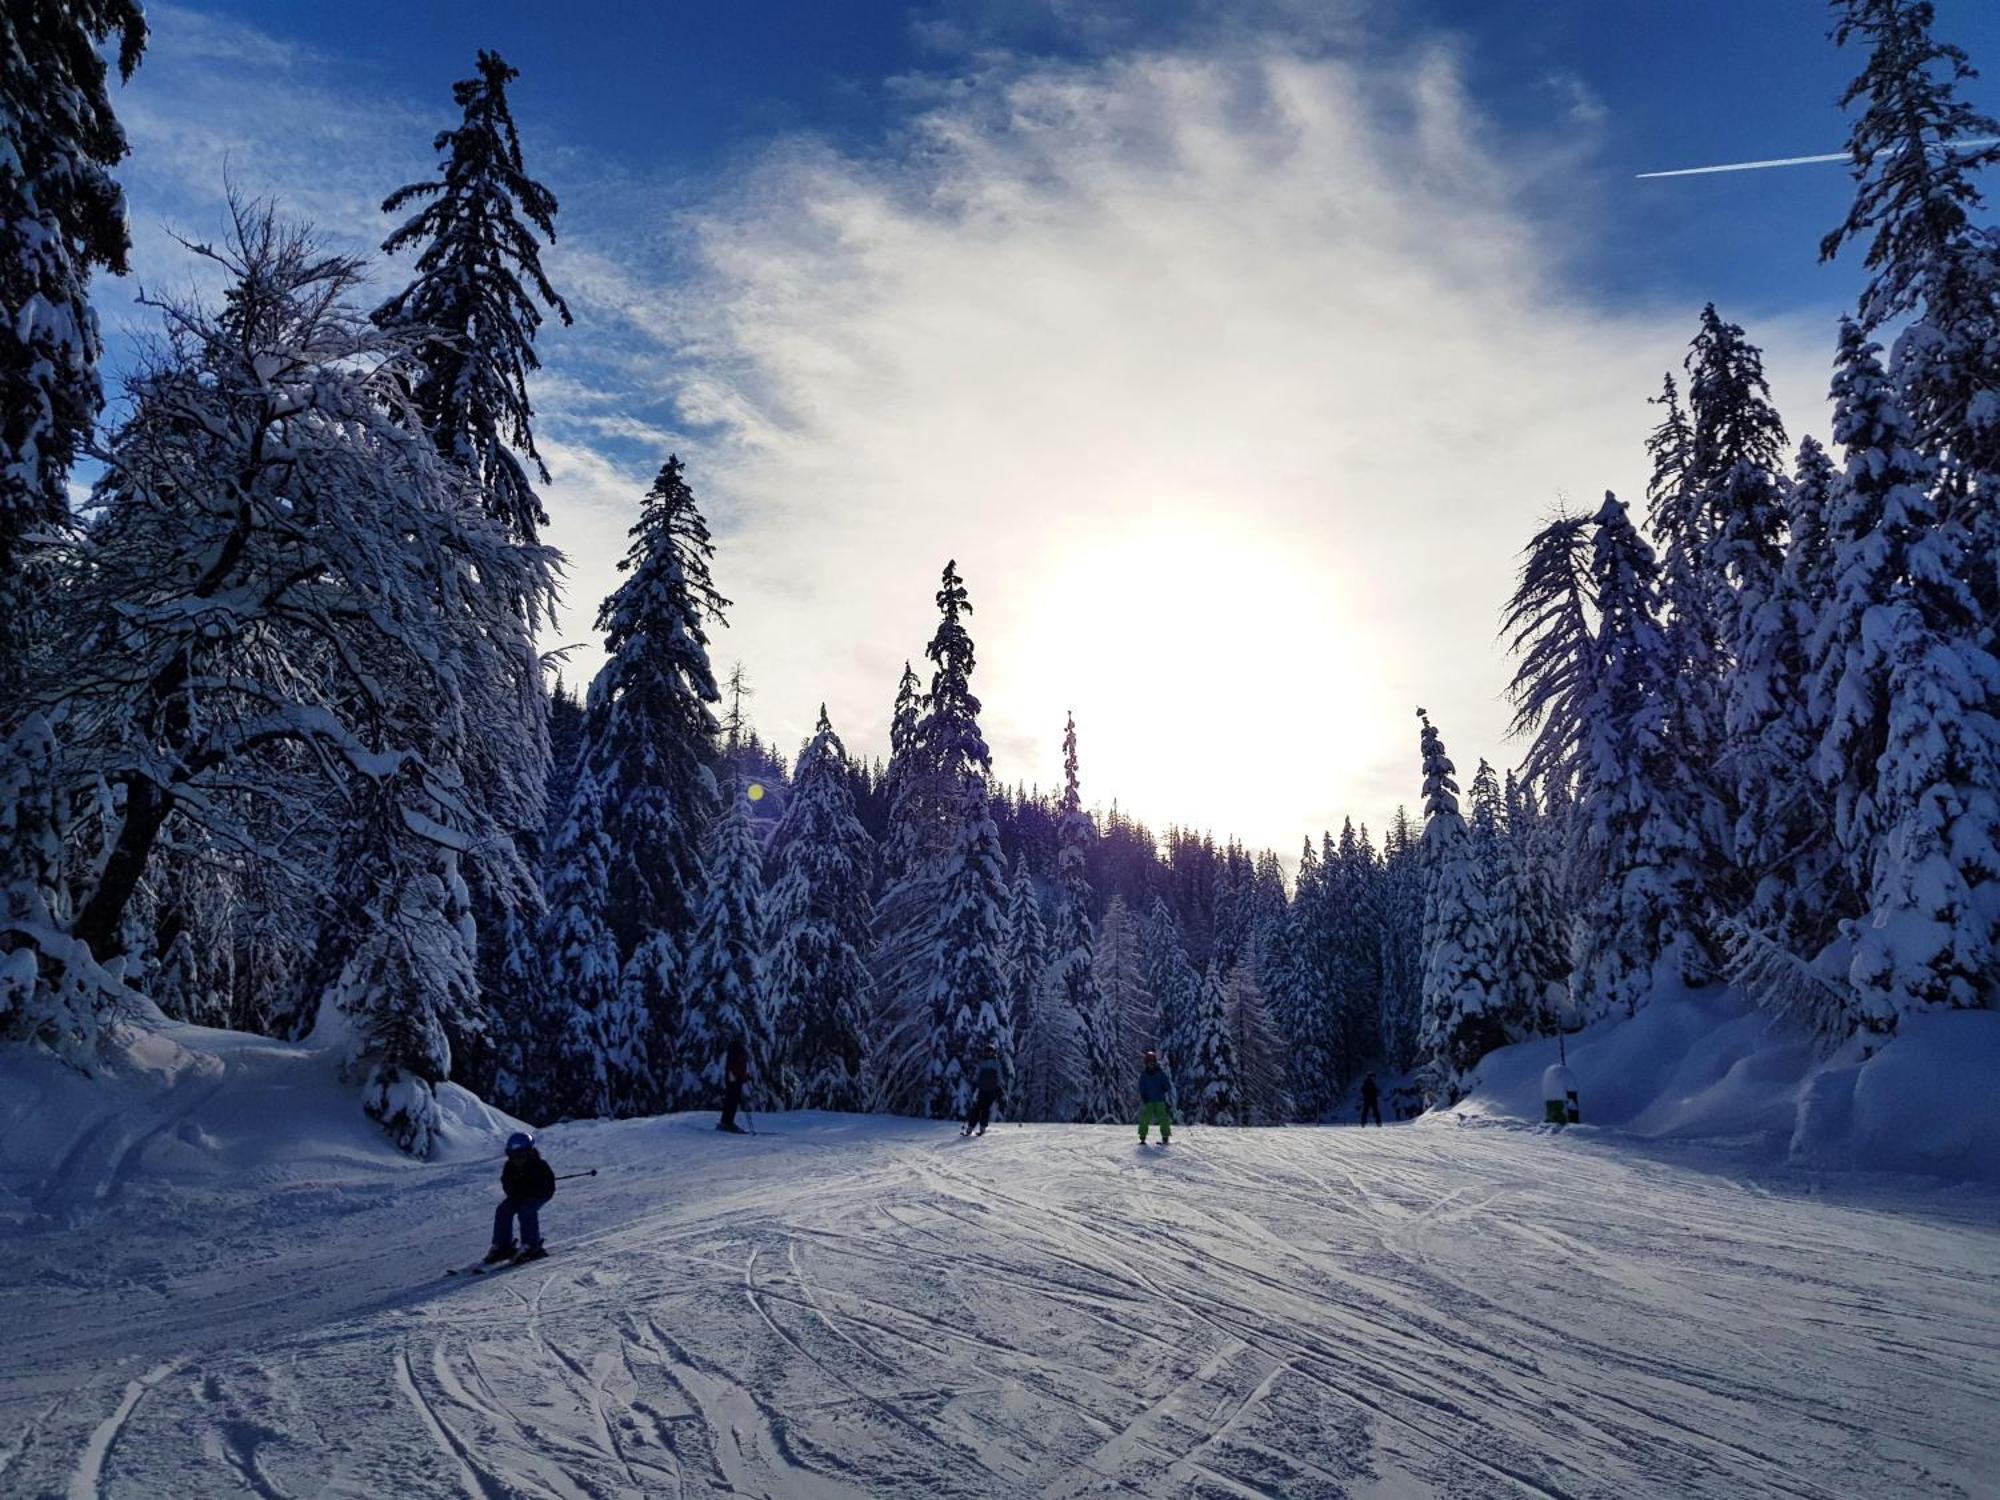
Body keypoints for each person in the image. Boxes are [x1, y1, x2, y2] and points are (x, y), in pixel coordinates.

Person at [486, 1132, 556, 1264]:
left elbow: (549, 1186)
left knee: (526, 1211)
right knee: (503, 1210)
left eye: (521, 1155)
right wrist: (515, 1193)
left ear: (529, 1153)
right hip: (519, 1196)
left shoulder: (540, 1165)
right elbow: (506, 1184)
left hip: (539, 1195)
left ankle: (531, 1245)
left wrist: (534, 1191)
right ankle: (502, 1245)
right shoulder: (509, 1167)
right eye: (513, 1155)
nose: (517, 1159)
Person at [963, 1045, 1004, 1136]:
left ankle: (982, 1127)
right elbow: (978, 1074)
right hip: (982, 1088)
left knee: (985, 1108)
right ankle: (970, 1126)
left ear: (993, 1053)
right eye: (987, 1052)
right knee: (977, 1107)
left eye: (990, 1052)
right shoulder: (982, 1062)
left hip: (991, 1089)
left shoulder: (996, 1063)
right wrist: (975, 1083)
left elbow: (999, 1075)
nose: (988, 1053)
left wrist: (999, 1086)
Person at [1137, 1050, 1171, 1145]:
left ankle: (1165, 1136)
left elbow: (1167, 1084)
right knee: (1145, 1119)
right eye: (1149, 1063)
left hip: (1159, 1100)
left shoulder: (1160, 1073)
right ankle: (1142, 1136)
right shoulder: (1144, 1075)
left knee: (1163, 1118)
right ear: (1146, 1064)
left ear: (1155, 1063)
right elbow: (1141, 1086)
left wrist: (1165, 1087)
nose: (1151, 1065)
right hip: (1149, 1101)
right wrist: (1143, 1096)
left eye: (1152, 1063)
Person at [719, 1038, 750, 1134]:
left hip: (732, 1079)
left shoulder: (733, 1052)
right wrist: (742, 1077)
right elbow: (737, 1067)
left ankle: (726, 1121)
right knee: (732, 1101)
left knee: (731, 1101)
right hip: (735, 1080)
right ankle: (727, 1123)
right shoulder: (738, 1052)